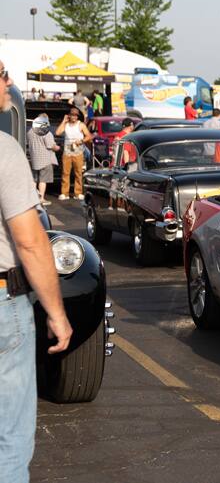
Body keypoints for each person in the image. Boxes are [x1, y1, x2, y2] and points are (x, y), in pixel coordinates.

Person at [0, 57, 72, 483]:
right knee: (9, 438)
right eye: (2, 73)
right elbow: (29, 240)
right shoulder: (3, 150)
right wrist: (56, 314)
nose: (8, 82)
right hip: (3, 303)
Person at [55, 108, 92, 200]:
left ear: (77, 116)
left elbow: (88, 136)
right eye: (72, 115)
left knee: (78, 173)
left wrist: (81, 141)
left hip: (78, 152)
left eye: (76, 115)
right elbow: (57, 132)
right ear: (69, 116)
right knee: (65, 173)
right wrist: (64, 121)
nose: (74, 117)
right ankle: (64, 193)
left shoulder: (81, 125)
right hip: (67, 152)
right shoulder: (66, 125)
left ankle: (78, 193)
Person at [26, 114, 60, 205]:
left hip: (34, 159)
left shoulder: (30, 131)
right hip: (45, 160)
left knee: (34, 179)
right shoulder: (46, 132)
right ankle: (41, 198)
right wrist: (57, 147)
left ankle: (31, 198)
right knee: (43, 180)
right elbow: (50, 146)